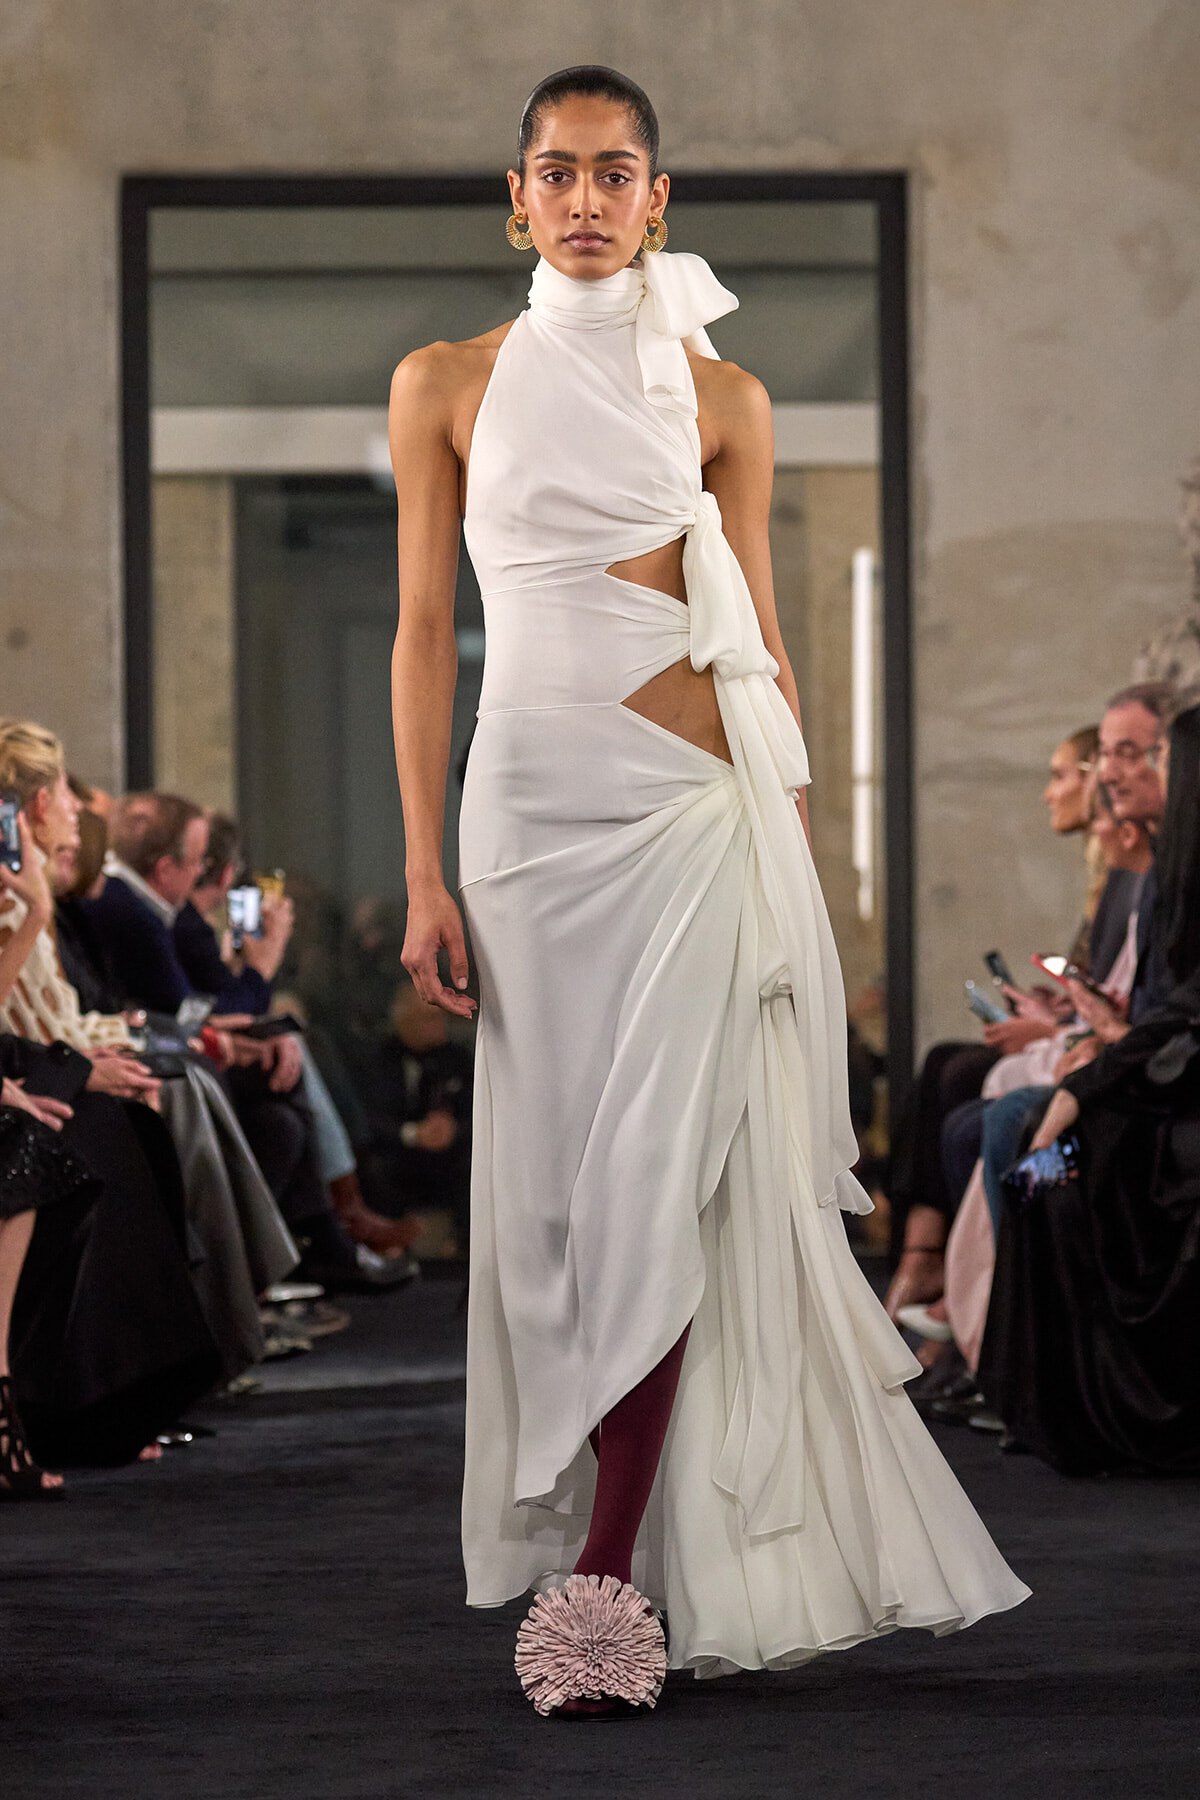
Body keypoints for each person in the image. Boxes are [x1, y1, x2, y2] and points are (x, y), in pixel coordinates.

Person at [387, 65, 1028, 1717]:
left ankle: (606, 1577)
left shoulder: (726, 394)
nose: (586, 197)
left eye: (617, 172)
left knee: (664, 1179)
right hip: (523, 825)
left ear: (657, 198)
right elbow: (421, 631)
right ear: (515, 198)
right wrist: (422, 870)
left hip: (694, 816)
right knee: (551, 1205)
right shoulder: (443, 381)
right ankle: (600, 1534)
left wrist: (794, 853)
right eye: (557, 171)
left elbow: (763, 637)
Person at [979, 703, 1200, 1472]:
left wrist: (1093, 1082)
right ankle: (1033, 1393)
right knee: (1039, 1160)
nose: (1132, 775)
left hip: (1175, 1108)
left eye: (1158, 759)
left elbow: (1180, 1018)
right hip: (1161, 1091)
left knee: (1052, 1155)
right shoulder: (1172, 873)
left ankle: (1071, 1402)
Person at [359, 977, 473, 1252]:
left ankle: (467, 1248)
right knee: (372, 1167)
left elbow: (477, 1111)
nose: (438, 1026)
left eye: (440, 1018)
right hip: (399, 1151)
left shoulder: (459, 1059)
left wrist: (453, 1130)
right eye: (428, 1019)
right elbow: (369, 1117)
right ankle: (387, 1246)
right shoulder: (379, 1059)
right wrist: (413, 1134)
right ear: (403, 1021)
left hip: (451, 1152)